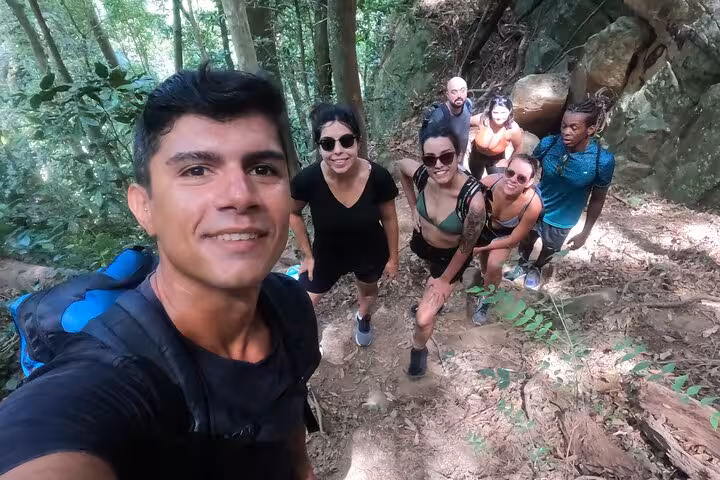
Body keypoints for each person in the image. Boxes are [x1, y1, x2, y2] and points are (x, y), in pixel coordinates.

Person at [0, 66, 321, 479]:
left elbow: (289, 408)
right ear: (143, 206)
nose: (240, 195)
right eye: (196, 170)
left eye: (262, 168)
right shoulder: (107, 381)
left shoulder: (289, 302)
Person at [290, 104, 399, 347]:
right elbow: (292, 212)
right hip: (327, 254)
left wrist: (393, 258)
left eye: (346, 141)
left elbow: (390, 218)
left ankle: (363, 316)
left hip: (370, 251)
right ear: (319, 146)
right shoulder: (307, 180)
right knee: (302, 301)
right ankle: (297, 345)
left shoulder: (378, 177)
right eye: (328, 144)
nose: (338, 151)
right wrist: (307, 255)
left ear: (358, 142)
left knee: (368, 292)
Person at [396, 120, 486, 378]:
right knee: (429, 284)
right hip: (425, 244)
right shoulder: (424, 175)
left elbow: (466, 248)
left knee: (424, 318)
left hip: (450, 258)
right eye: (430, 158)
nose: (438, 164)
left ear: (458, 155)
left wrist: (445, 281)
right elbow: (400, 166)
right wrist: (413, 206)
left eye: (446, 156)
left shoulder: (473, 201)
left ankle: (418, 349)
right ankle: (432, 293)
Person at [505, 92, 615, 290]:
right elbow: (528, 169)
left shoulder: (602, 161)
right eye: (564, 125)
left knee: (549, 247)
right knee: (527, 238)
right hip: (536, 206)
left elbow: (598, 199)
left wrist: (585, 232)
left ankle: (537, 268)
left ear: (590, 129)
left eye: (574, 127)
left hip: (564, 217)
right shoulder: (549, 144)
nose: (566, 131)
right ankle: (522, 264)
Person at [470, 154, 543, 325]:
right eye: (510, 173)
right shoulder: (489, 183)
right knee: (485, 263)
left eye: (521, 178)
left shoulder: (532, 204)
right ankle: (484, 278)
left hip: (505, 234)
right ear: (505, 171)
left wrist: (479, 248)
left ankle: (486, 300)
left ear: (530, 182)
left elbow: (512, 240)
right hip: (484, 225)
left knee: (494, 265)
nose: (513, 180)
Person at [468, 95, 523, 178]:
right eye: (495, 112)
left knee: (497, 182)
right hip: (476, 154)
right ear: (490, 111)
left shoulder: (513, 129)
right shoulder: (483, 119)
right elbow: (464, 123)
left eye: (503, 113)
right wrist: (463, 143)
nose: (499, 117)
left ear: (510, 111)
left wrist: (508, 162)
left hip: (496, 159)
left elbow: (518, 148)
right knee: (475, 177)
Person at [423, 77, 473, 158]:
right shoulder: (439, 117)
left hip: (462, 156)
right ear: (447, 94)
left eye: (462, 90)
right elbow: (429, 147)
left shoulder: (468, 104)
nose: (459, 95)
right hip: (447, 161)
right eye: (454, 92)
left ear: (467, 91)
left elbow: (465, 126)